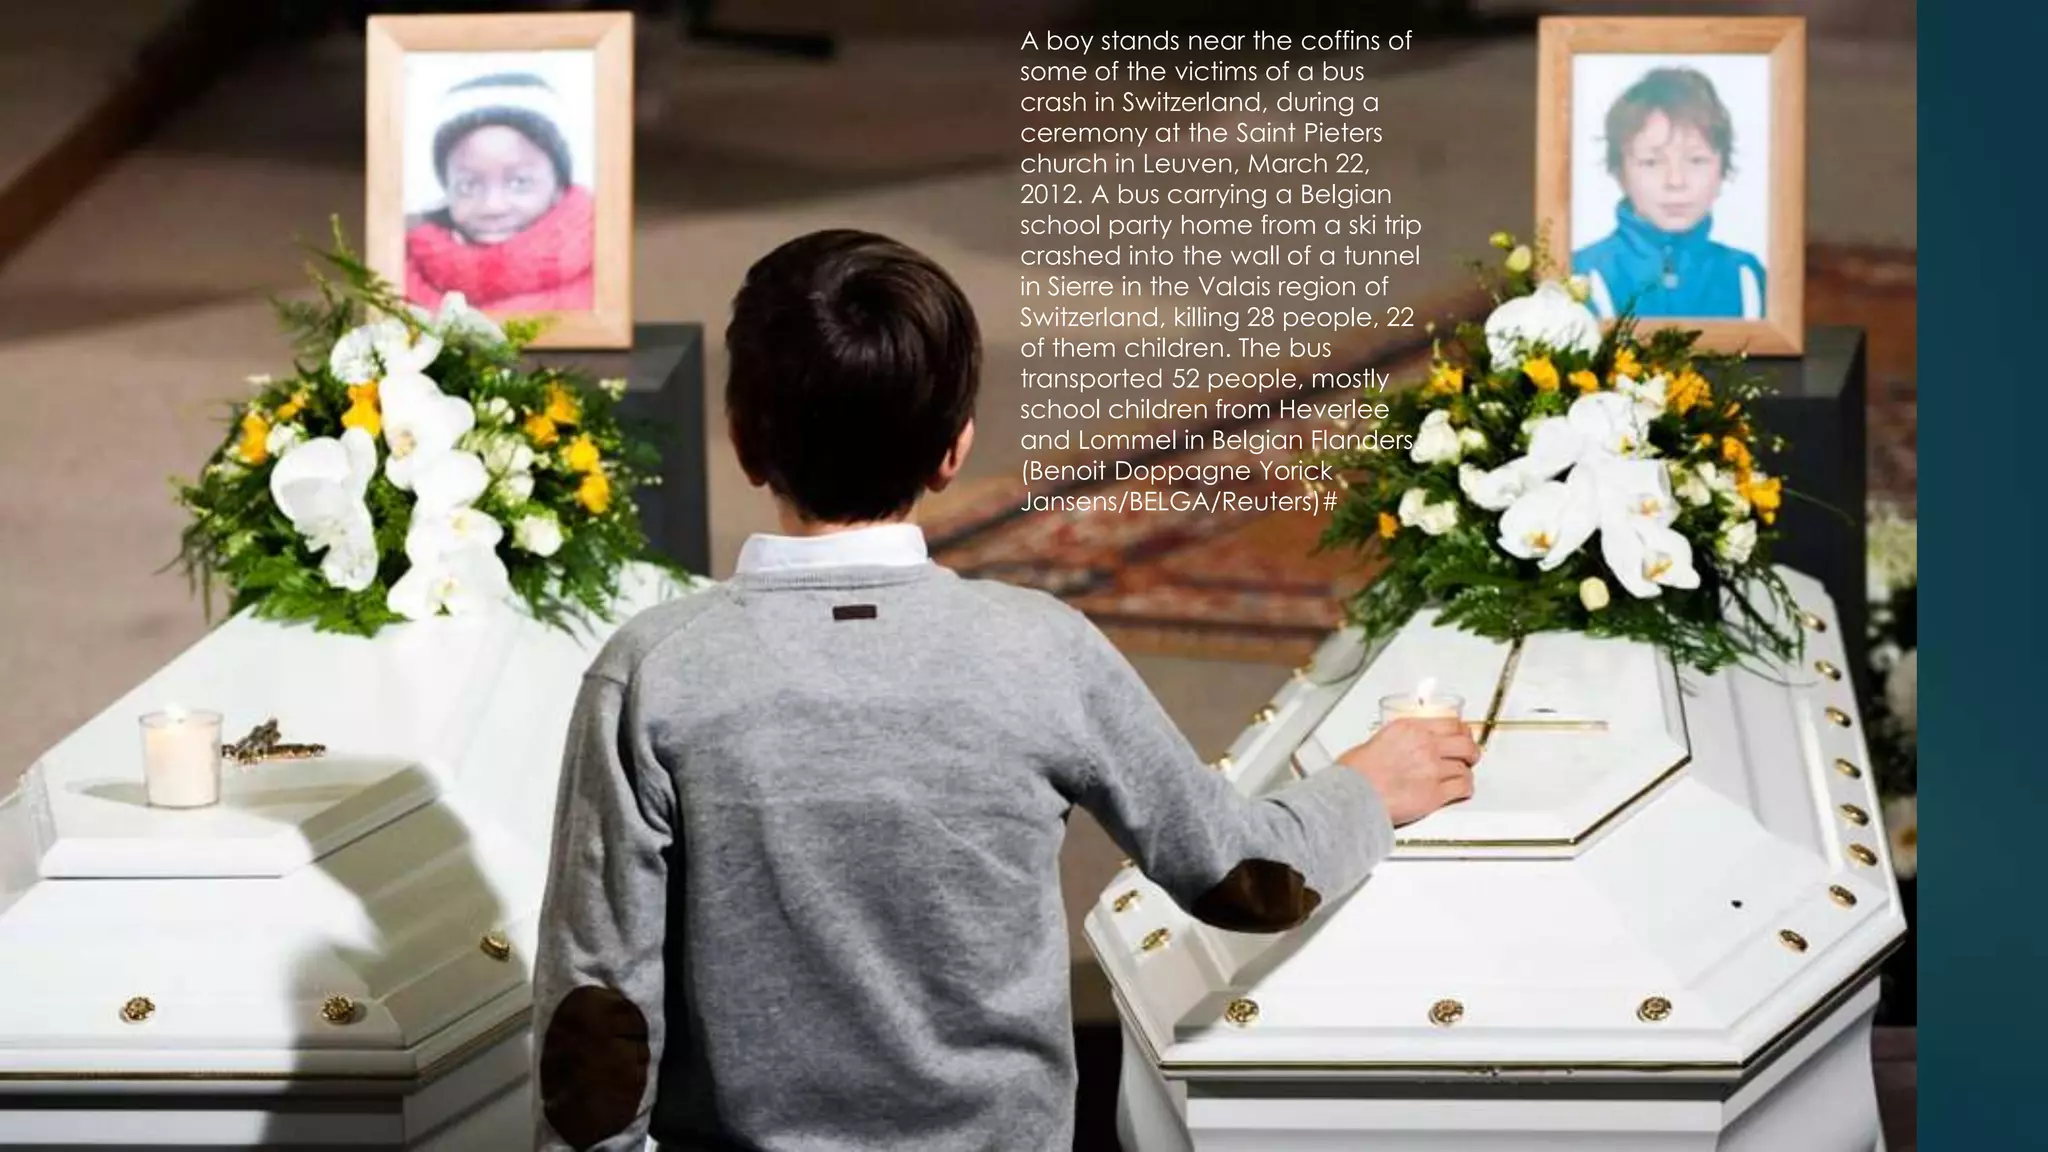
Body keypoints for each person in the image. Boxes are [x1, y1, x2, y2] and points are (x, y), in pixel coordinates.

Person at [529, 230, 1481, 1151]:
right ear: (955, 450)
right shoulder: (1042, 651)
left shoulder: (656, 670)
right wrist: (1368, 786)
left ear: (741, 439)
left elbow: (596, 1019)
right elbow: (1240, 877)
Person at [1572, 66, 1766, 321]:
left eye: (1696, 160)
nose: (1676, 181)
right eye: (1652, 162)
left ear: (1721, 170)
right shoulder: (1581, 274)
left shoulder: (1746, 276)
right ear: (1620, 172)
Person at [404, 72, 593, 313]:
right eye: (468, 185)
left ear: (559, 187)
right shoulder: (398, 277)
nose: (492, 206)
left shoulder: (605, 279)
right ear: (446, 189)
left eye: (519, 182)